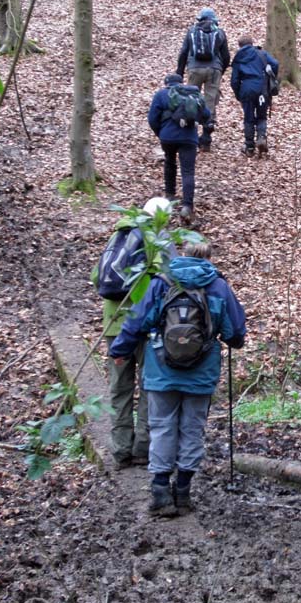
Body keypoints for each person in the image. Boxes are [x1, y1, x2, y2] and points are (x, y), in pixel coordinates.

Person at [109, 241, 246, 517]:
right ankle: (183, 492)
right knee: (192, 429)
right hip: (201, 373)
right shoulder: (218, 287)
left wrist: (120, 350)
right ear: (209, 258)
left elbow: (137, 321)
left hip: (161, 370)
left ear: (183, 255)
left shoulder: (162, 282)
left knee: (162, 427)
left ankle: (161, 491)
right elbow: (235, 334)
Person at [98, 197, 172, 469]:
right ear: (162, 217)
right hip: (144, 325)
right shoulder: (157, 238)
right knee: (149, 385)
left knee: (120, 388)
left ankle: (120, 450)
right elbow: (168, 278)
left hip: (114, 324)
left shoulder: (118, 235)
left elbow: (97, 278)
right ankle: (142, 447)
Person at [148, 73, 210, 224]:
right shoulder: (193, 95)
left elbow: (152, 118)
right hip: (189, 138)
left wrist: (160, 133)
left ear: (167, 83)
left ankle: (170, 196)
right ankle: (187, 206)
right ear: (181, 83)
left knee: (170, 162)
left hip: (168, 137)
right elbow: (206, 114)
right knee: (188, 171)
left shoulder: (161, 94)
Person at [177, 7, 231, 153]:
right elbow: (226, 56)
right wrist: (220, 70)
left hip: (194, 69)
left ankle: (190, 136)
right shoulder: (220, 33)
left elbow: (183, 53)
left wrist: (179, 73)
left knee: (191, 100)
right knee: (210, 101)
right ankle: (206, 139)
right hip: (214, 70)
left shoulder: (191, 31)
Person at [230, 35, 279, 158]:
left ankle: (249, 147)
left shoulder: (238, 57)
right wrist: (271, 76)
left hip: (246, 89)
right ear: (252, 43)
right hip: (262, 88)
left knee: (248, 118)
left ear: (240, 46)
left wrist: (238, 94)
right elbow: (275, 63)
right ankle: (261, 138)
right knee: (262, 116)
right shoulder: (261, 53)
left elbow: (234, 81)